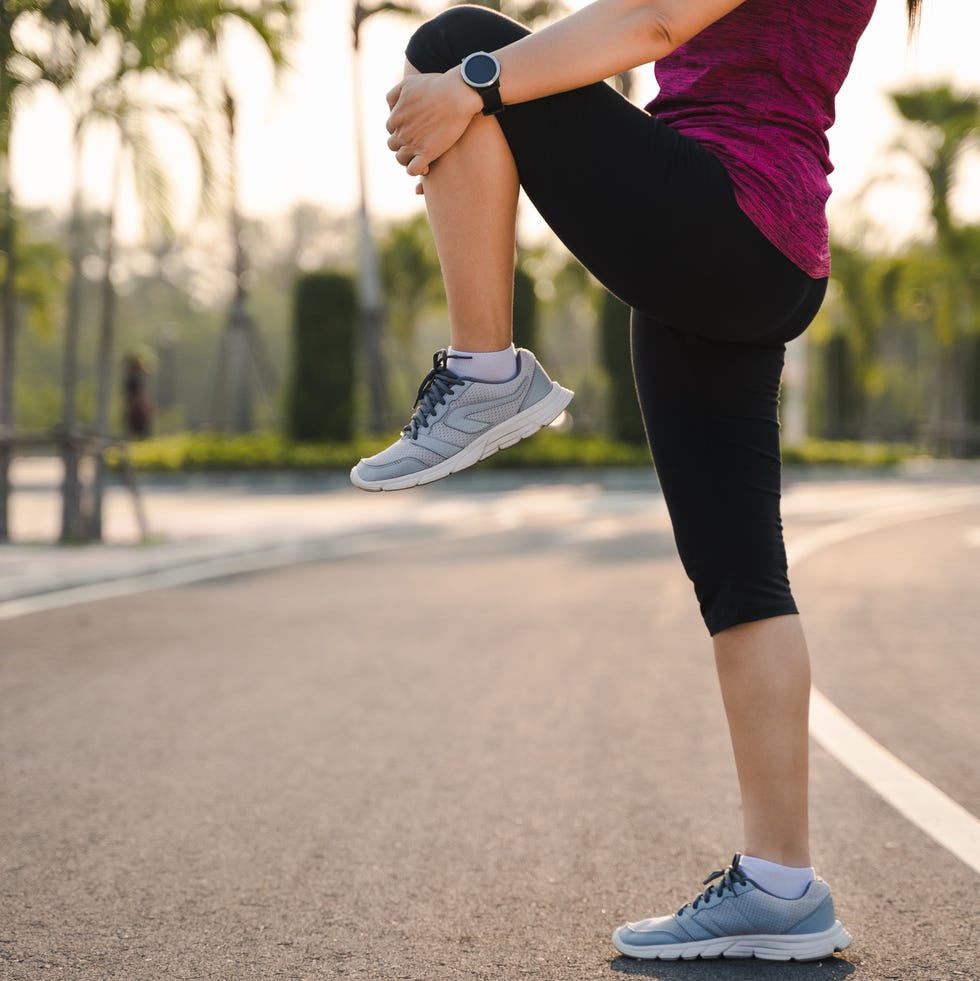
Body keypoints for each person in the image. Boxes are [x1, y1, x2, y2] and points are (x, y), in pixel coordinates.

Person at [351, 0, 922, 961]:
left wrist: (475, 88)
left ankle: (486, 373)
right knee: (742, 581)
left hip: (726, 212)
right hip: (744, 242)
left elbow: (655, 22)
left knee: (456, 48)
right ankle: (782, 889)